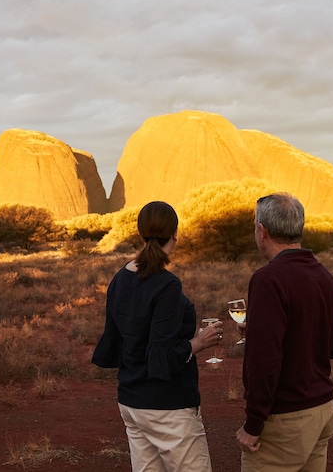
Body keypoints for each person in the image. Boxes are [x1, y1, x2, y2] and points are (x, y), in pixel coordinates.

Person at [92, 201, 224, 472]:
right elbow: (160, 354)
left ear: (140, 235)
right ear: (176, 233)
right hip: (168, 406)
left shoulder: (119, 278)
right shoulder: (166, 285)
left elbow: (123, 339)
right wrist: (199, 342)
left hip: (132, 402)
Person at [235, 193, 333, 472]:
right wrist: (259, 329)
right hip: (323, 410)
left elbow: (264, 361)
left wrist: (253, 423)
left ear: (263, 231)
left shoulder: (269, 279)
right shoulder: (325, 277)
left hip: (286, 419)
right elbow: (329, 346)